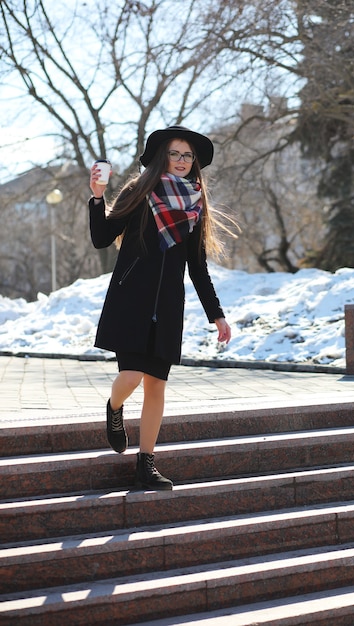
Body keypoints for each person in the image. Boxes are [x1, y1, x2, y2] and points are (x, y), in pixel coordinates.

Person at [89, 125, 232, 491]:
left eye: (188, 156)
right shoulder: (139, 192)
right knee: (132, 376)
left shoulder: (195, 204)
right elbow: (102, 238)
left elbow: (197, 266)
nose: (182, 161)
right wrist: (97, 198)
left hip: (168, 305)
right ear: (161, 158)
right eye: (176, 153)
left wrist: (216, 314)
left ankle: (146, 463)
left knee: (157, 386)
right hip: (131, 299)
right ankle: (114, 407)